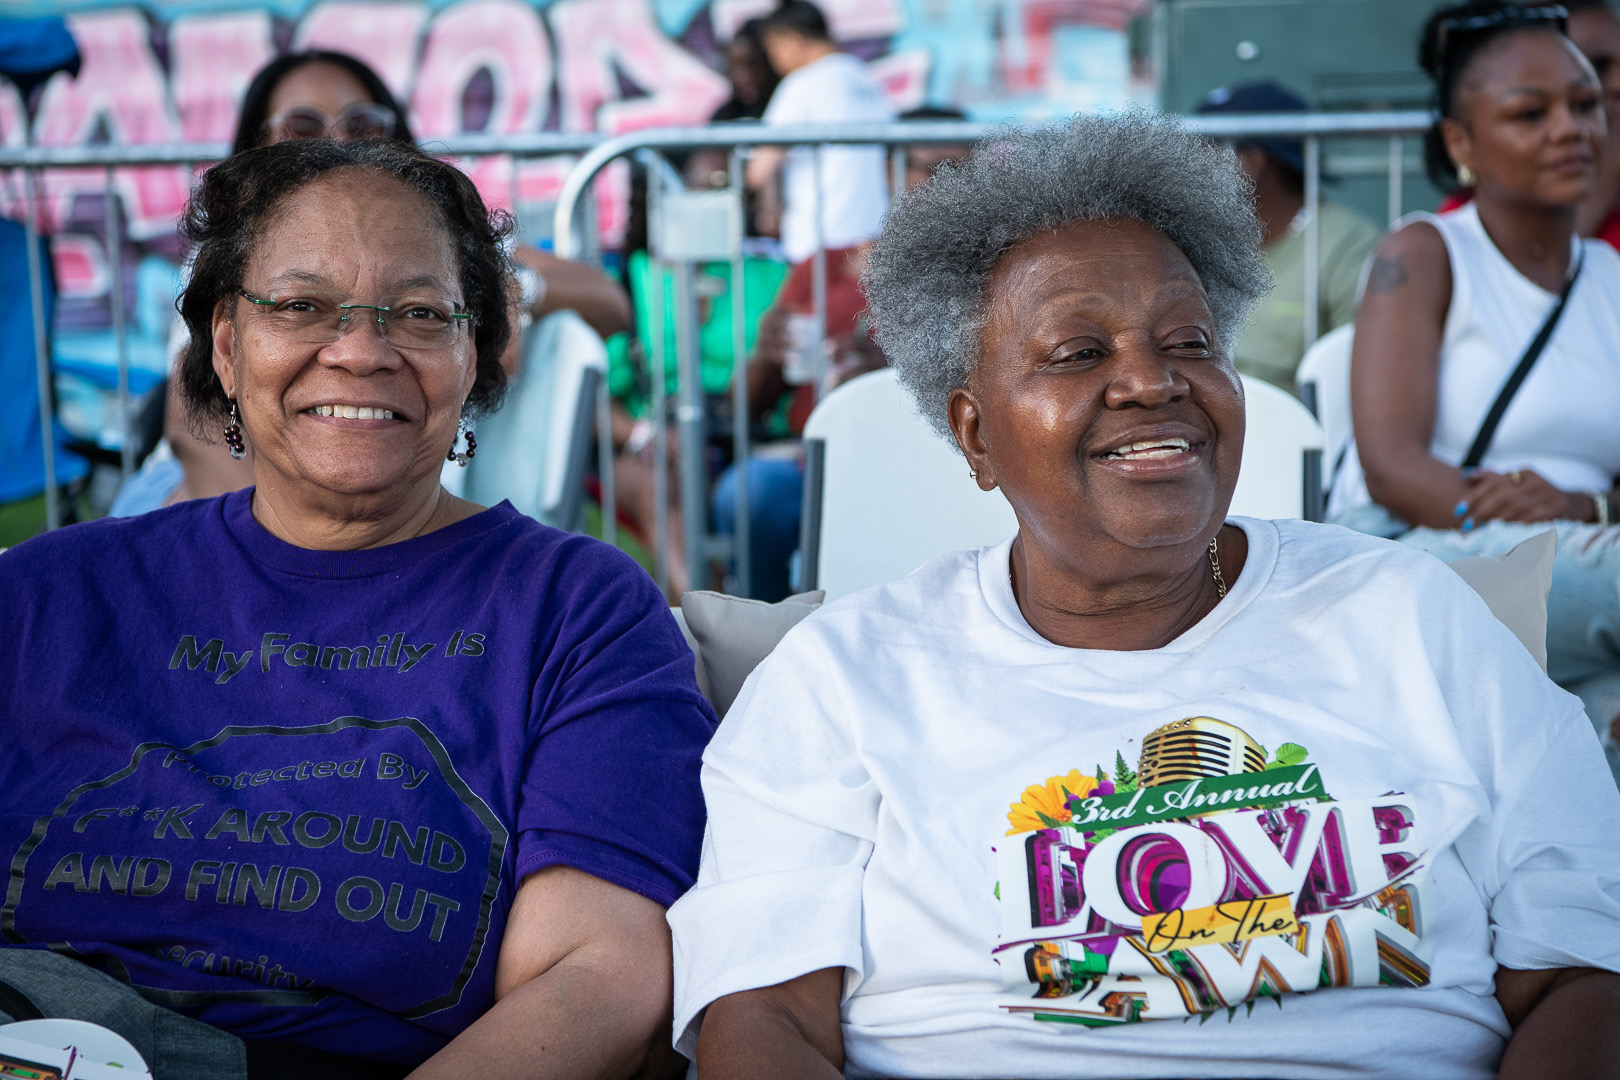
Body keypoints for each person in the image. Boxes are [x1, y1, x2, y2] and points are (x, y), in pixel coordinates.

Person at [664, 111, 1620, 1080]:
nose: (1152, 382)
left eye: (1190, 341)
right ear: (976, 434)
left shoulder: (1415, 619)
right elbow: (765, 1017)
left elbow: (1590, 973)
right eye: (1079, 354)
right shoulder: (841, 678)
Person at [0, 138, 714, 1077]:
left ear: (476, 354)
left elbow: (599, 978)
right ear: (224, 342)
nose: (361, 351)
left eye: (419, 314)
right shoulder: (47, 593)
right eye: (301, 307)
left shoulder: (576, 612)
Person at [111, 50, 631, 518]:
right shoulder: (231, 253)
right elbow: (195, 432)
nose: (336, 144)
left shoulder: (441, 246)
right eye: (302, 128)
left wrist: (511, 290)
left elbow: (610, 302)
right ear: (256, 146)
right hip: (210, 505)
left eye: (361, 125)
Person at [1336, 1, 1620, 779]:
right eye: (1531, 114)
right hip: (1433, 552)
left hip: (1581, 582)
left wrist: (1578, 510)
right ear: (1460, 141)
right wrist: (1508, 515)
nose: (1572, 130)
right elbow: (1392, 465)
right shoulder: (1423, 253)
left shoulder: (1611, 281)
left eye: (1587, 105)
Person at [1197, 80, 1382, 396]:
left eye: (1208, 151)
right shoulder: (1198, 241)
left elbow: (1367, 381)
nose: (1191, 168)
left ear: (1251, 162)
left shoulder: (1350, 244)